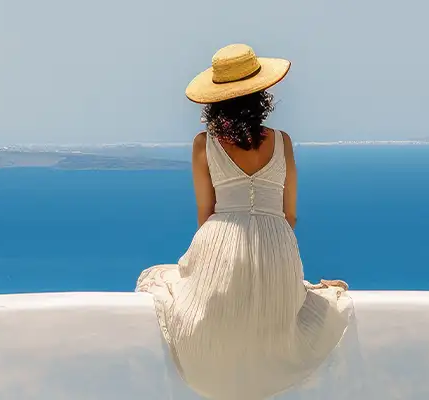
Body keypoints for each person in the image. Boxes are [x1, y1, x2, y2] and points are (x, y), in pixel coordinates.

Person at [136, 43, 354, 400]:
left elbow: (205, 215)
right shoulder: (282, 142)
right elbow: (290, 214)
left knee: (166, 280)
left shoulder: (202, 144)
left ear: (215, 99)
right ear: (261, 94)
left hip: (220, 240)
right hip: (278, 246)